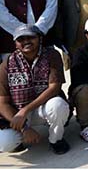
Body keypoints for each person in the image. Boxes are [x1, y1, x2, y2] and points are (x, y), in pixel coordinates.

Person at [0, 26, 70, 154]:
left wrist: (25, 110)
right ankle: (19, 140)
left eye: (30, 37)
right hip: (17, 113)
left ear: (39, 38)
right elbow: (2, 102)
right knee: (5, 143)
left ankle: (56, 140)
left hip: (41, 108)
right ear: (15, 44)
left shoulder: (52, 55)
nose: (26, 41)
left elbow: (54, 88)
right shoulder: (6, 64)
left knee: (59, 105)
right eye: (21, 39)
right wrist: (24, 128)